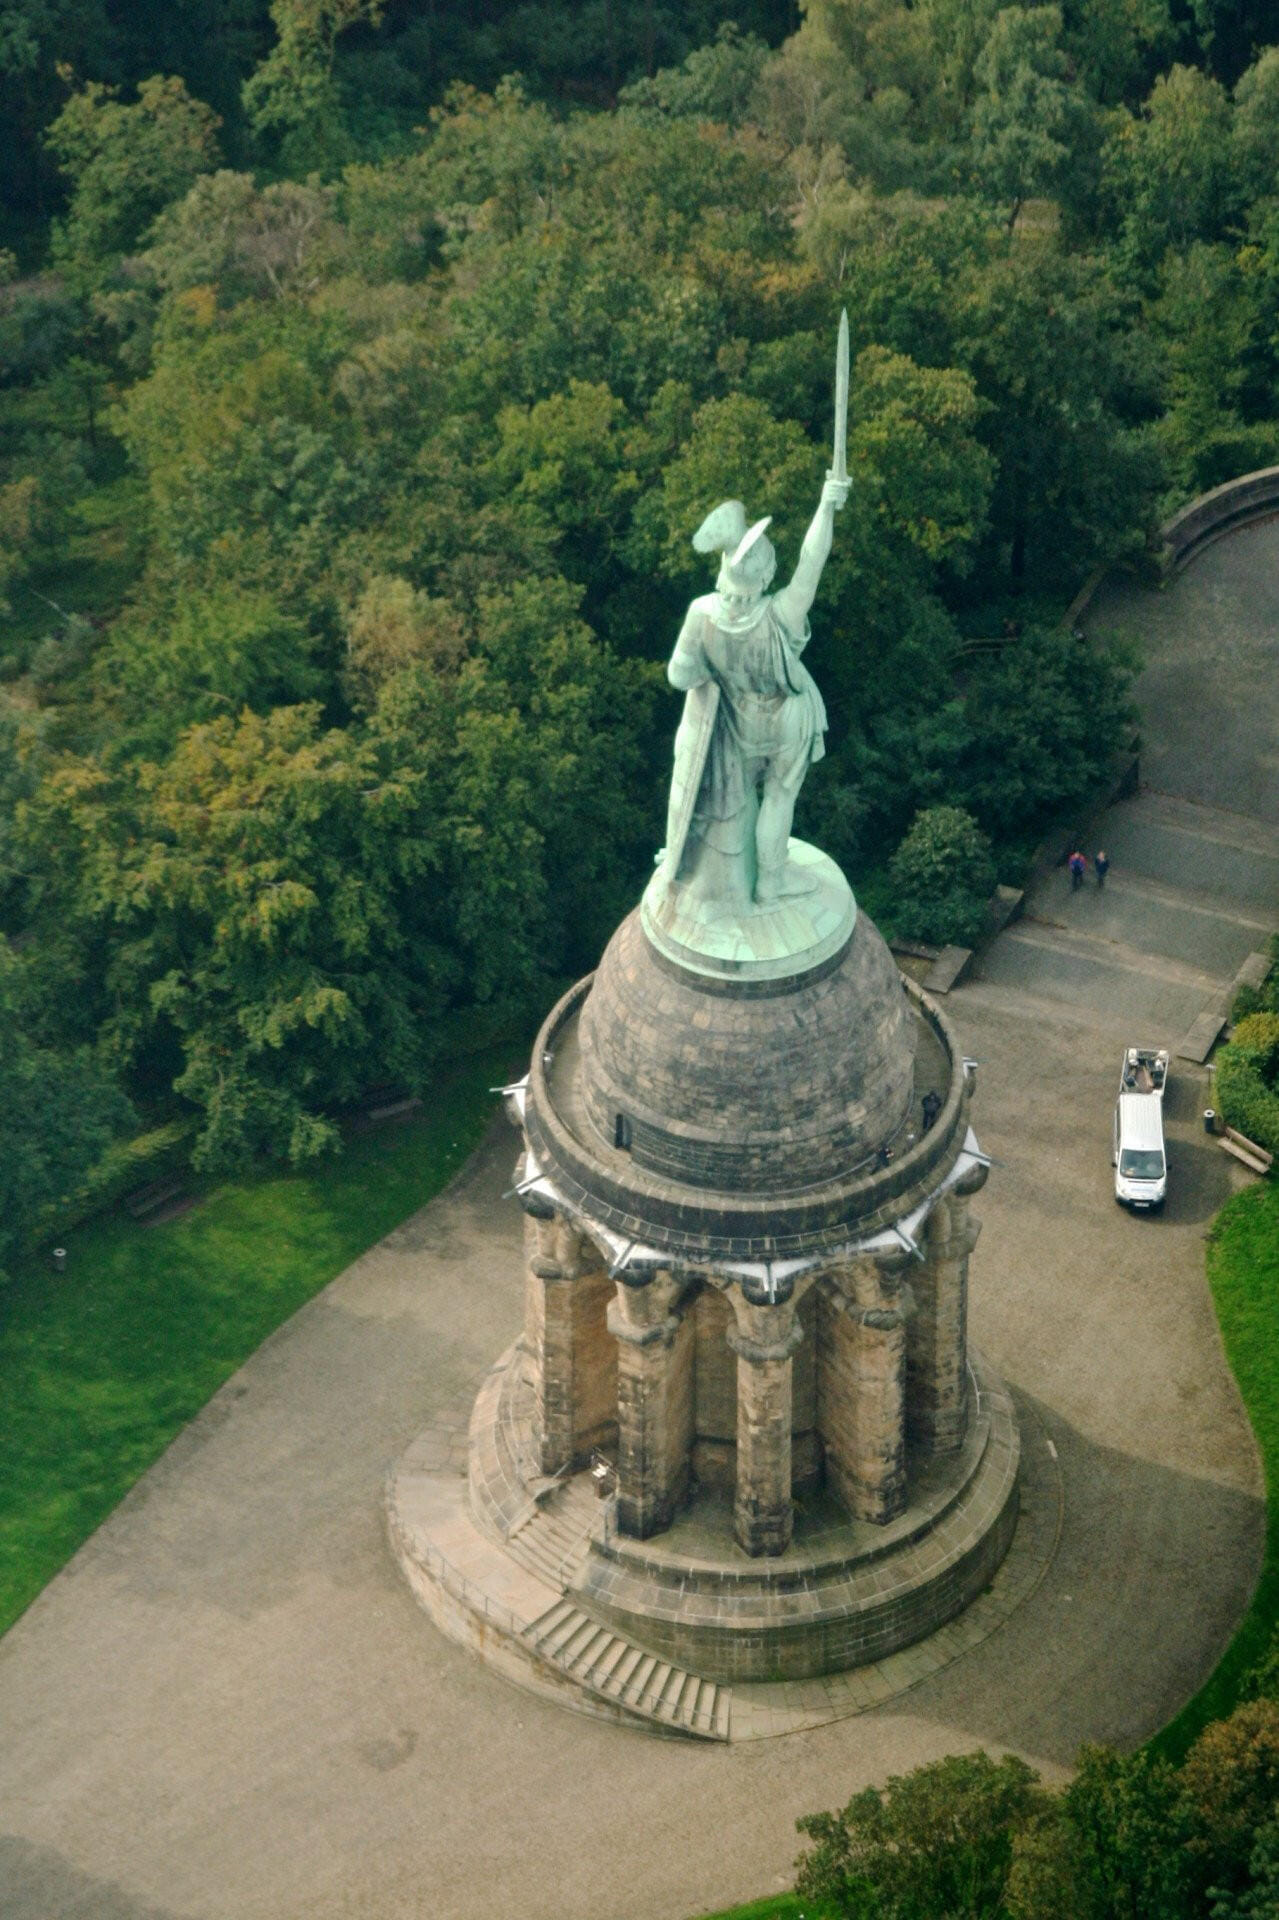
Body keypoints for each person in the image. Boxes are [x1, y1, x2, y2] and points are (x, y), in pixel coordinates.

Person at [659, 476, 850, 908]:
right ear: (765, 576)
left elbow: (679, 675)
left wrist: (712, 672)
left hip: (738, 721)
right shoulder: (782, 614)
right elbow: (812, 560)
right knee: (780, 797)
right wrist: (826, 506)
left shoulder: (701, 614)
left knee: (741, 796)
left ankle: (714, 865)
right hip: (787, 718)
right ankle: (770, 883)